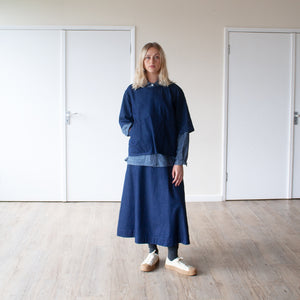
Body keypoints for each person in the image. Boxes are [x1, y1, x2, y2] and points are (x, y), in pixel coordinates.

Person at [117, 42, 196, 276]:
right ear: (142, 61)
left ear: (162, 61)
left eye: (157, 57)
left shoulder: (174, 91)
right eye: (148, 57)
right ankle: (152, 252)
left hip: (167, 160)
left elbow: (183, 129)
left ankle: (172, 256)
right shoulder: (132, 91)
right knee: (145, 205)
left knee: (172, 205)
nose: (152, 61)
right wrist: (136, 131)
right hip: (139, 159)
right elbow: (124, 121)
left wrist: (179, 161)